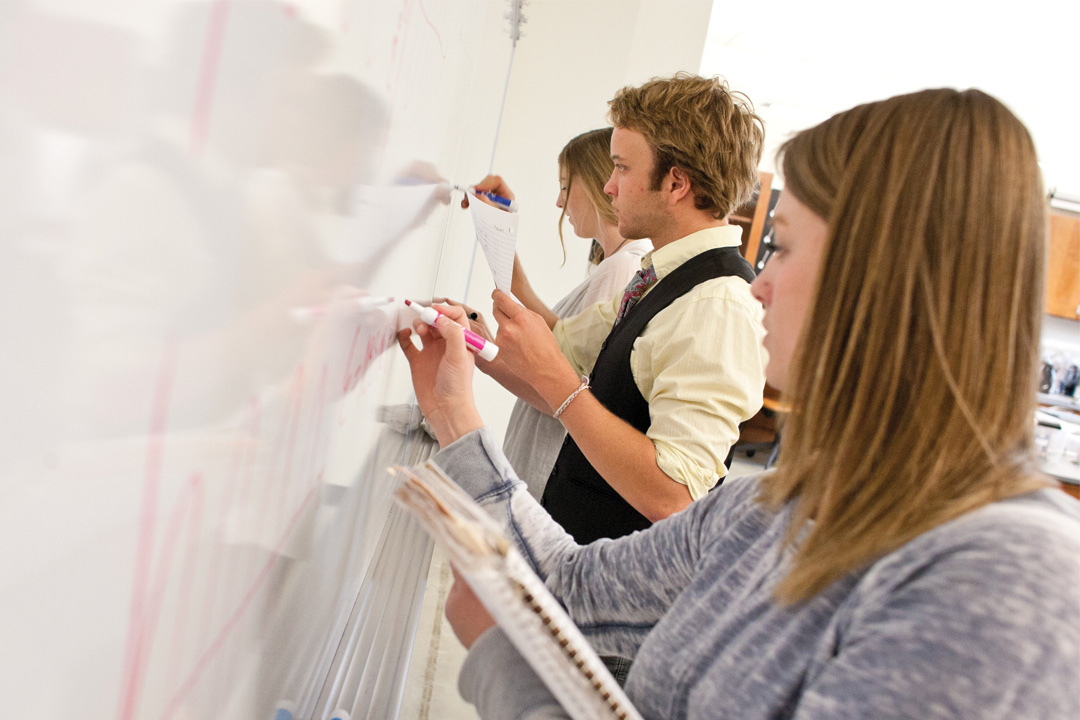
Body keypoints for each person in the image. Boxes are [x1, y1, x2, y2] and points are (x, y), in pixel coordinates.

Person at [399, 87, 1080, 719]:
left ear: (882, 277)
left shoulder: (1003, 576)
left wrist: (502, 669)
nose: (760, 286)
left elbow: (659, 490)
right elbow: (571, 583)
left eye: (781, 247)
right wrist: (454, 410)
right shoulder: (774, 507)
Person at [473, 74, 769, 544]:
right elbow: (564, 344)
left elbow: (676, 495)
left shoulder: (717, 305)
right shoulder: (661, 276)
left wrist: (558, 384)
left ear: (675, 183)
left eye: (622, 169)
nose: (609, 187)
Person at [463, 127, 652, 499]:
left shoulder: (622, 270)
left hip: (550, 474)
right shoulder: (617, 265)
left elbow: (565, 394)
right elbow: (548, 326)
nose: (558, 202)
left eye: (566, 186)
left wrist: (482, 351)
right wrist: (499, 226)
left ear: (601, 183)